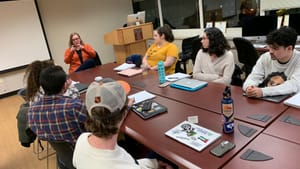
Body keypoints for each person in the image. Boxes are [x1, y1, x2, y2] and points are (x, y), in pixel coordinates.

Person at [73, 81, 175, 169]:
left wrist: (154, 163)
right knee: (169, 157)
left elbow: (127, 163)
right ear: (124, 112)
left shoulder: (82, 140)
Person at [27, 65, 87, 145]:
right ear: (65, 85)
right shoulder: (75, 106)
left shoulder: (31, 111)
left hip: (63, 153)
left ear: (42, 86)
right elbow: (94, 127)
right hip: (82, 148)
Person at [243, 26, 300, 98]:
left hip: (287, 102)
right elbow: (253, 77)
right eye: (269, 47)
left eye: (275, 48)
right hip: (266, 99)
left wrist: (263, 92)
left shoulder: (298, 60)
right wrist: (249, 88)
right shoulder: (265, 57)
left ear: (289, 48)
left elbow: (294, 85)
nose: (270, 51)